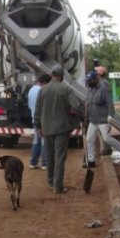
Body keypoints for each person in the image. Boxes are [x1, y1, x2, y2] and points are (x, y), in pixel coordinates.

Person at [34, 65, 80, 194]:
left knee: (49, 156)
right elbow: (75, 106)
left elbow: (37, 111)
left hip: (46, 129)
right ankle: (57, 186)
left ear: (52, 75)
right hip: (62, 129)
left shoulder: (42, 90)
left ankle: (50, 181)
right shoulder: (66, 88)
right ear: (62, 76)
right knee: (59, 158)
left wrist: (38, 126)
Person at [84, 67, 120, 166]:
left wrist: (110, 115)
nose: (88, 83)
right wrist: (85, 115)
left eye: (89, 81)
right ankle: (91, 160)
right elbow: (87, 103)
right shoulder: (89, 89)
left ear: (95, 79)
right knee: (89, 139)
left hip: (103, 119)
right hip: (93, 119)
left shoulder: (104, 88)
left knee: (106, 138)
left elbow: (110, 103)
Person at [28, 73, 51, 170]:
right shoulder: (43, 90)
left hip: (34, 119)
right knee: (44, 141)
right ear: (45, 82)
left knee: (36, 140)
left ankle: (33, 162)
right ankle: (44, 164)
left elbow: (29, 106)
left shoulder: (31, 90)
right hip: (43, 120)